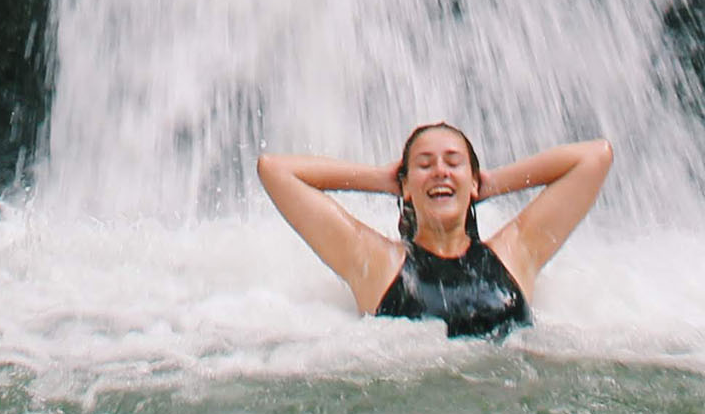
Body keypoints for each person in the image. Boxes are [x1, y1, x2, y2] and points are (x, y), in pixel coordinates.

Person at [256, 124, 613, 338]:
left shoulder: (516, 251)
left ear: (473, 179)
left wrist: (489, 183)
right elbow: (275, 170)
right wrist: (382, 180)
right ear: (406, 186)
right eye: (424, 165)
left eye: (453, 163)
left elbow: (596, 156)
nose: (440, 171)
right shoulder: (375, 262)